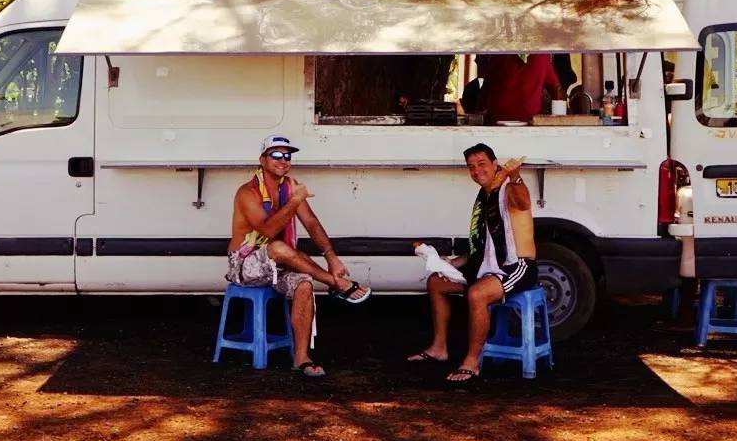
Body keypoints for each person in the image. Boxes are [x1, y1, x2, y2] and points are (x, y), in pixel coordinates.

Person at [227, 134, 371, 377]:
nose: (283, 160)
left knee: (304, 283)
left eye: (287, 156)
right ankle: (334, 283)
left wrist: (331, 257)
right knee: (278, 248)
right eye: (276, 155)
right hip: (245, 264)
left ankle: (301, 358)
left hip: (280, 263)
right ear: (262, 160)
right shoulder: (247, 192)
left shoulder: (290, 187)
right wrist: (294, 201)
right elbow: (268, 230)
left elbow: (312, 223)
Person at [406, 143, 538, 383]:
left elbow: (524, 203)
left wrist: (516, 176)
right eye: (471, 167)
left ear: (495, 163)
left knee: (477, 294)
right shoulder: (484, 196)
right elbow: (482, 247)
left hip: (516, 267)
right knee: (436, 282)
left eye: (482, 164)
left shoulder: (508, 187)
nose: (477, 171)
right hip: (486, 268)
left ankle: (472, 361)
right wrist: (450, 263)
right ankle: (439, 348)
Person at [480, 53, 562, 123]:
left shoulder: (502, 53)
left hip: (498, 119)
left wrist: (479, 112)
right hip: (529, 121)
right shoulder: (542, 56)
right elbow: (557, 88)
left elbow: (486, 85)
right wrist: (558, 117)